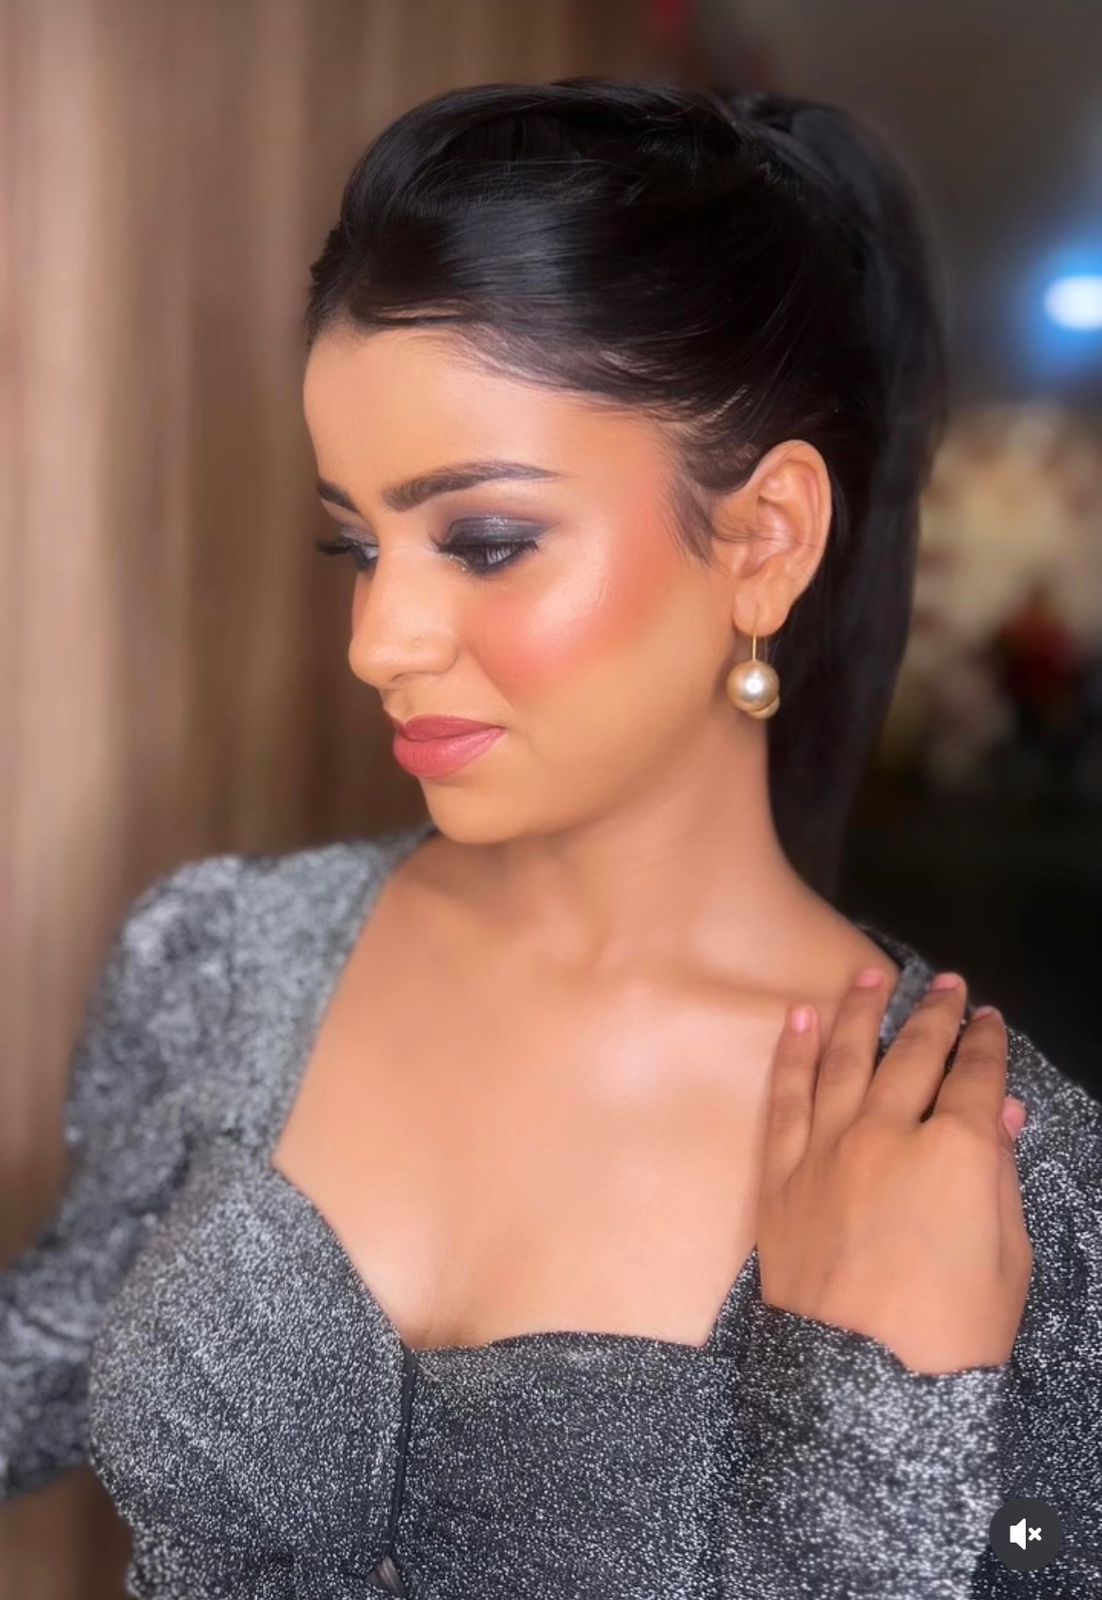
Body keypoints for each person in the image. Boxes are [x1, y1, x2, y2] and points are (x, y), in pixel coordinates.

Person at [3, 78, 1100, 1600]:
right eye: (356, 544)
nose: (378, 640)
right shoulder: (227, 956)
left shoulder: (1017, 1192)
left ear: (766, 539)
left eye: (485, 541)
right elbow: (46, 1352)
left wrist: (878, 1439)